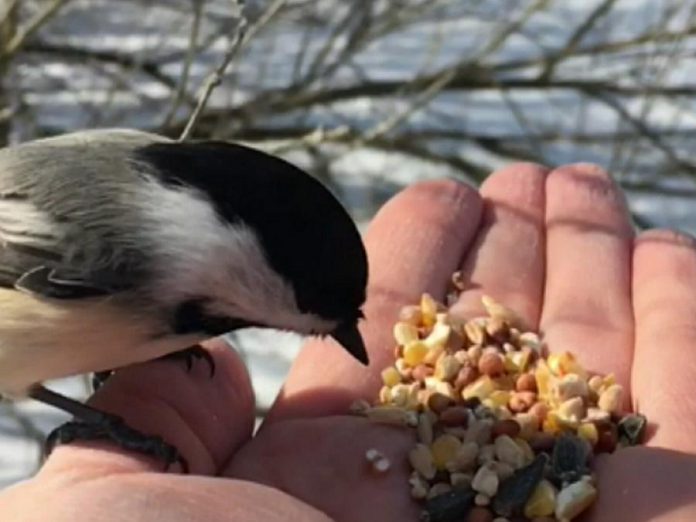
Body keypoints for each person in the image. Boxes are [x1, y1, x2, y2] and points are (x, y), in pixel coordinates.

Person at [1, 162, 695, 522]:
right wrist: (101, 422)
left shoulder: (186, 248)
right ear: (243, 264)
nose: (333, 336)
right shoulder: (119, 257)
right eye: (313, 310)